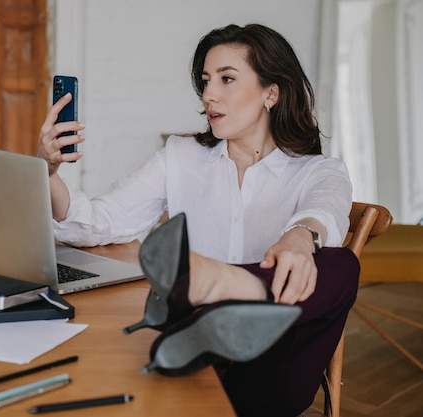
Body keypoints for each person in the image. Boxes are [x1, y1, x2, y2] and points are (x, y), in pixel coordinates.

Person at [36, 23, 360, 417]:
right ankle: (208, 300)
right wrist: (48, 172)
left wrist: (300, 236)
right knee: (337, 265)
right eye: (206, 81)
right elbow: (101, 221)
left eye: (227, 79)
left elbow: (327, 206)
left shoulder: (318, 171)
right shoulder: (181, 157)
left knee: (341, 264)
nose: (209, 94)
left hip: (267, 370)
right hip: (190, 352)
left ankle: (221, 287)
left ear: (270, 93)